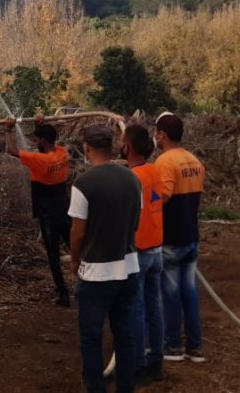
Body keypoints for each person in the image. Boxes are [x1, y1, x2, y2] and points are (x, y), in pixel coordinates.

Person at [68, 124, 141, 393]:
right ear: (112, 148)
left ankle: (96, 388)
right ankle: (126, 387)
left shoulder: (83, 183)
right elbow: (135, 223)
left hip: (97, 275)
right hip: (130, 269)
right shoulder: (133, 179)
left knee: (90, 338)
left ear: (86, 149)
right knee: (125, 335)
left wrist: (75, 262)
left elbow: (77, 233)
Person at [153, 112, 206, 363]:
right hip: (191, 236)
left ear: (162, 134)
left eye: (156, 132)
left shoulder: (165, 162)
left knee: (171, 293)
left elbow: (162, 197)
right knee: (190, 291)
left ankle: (172, 346)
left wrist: (143, 198)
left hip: (171, 239)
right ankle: (195, 347)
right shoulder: (194, 160)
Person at [3, 118, 73, 306]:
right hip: (64, 209)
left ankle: (63, 292)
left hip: (48, 213)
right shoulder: (62, 153)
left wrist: (8, 130)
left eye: (36, 139)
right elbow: (43, 146)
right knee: (76, 248)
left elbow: (12, 151)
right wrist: (39, 126)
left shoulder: (40, 160)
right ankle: (89, 282)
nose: (34, 142)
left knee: (53, 255)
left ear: (43, 140)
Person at [123, 123, 165, 383]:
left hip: (138, 252)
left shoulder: (133, 179)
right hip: (156, 250)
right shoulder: (154, 170)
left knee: (135, 310)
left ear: (127, 146)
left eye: (121, 139)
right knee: (153, 307)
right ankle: (156, 361)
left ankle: (137, 366)